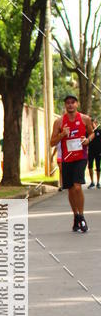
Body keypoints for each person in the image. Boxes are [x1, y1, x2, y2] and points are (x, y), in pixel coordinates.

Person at [50, 94, 94, 232]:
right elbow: (52, 142)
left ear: (77, 104)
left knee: (77, 187)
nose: (70, 105)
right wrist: (62, 134)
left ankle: (81, 216)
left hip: (81, 157)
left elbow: (92, 133)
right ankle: (75, 216)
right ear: (65, 105)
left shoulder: (85, 119)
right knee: (70, 188)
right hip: (67, 158)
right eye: (68, 102)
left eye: (72, 102)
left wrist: (87, 140)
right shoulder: (59, 122)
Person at [87, 118, 101, 188]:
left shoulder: (99, 131)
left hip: (98, 152)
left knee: (98, 167)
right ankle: (92, 182)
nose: (92, 125)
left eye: (93, 123)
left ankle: (98, 182)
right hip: (90, 152)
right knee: (90, 166)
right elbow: (86, 141)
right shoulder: (88, 132)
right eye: (91, 124)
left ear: (96, 124)